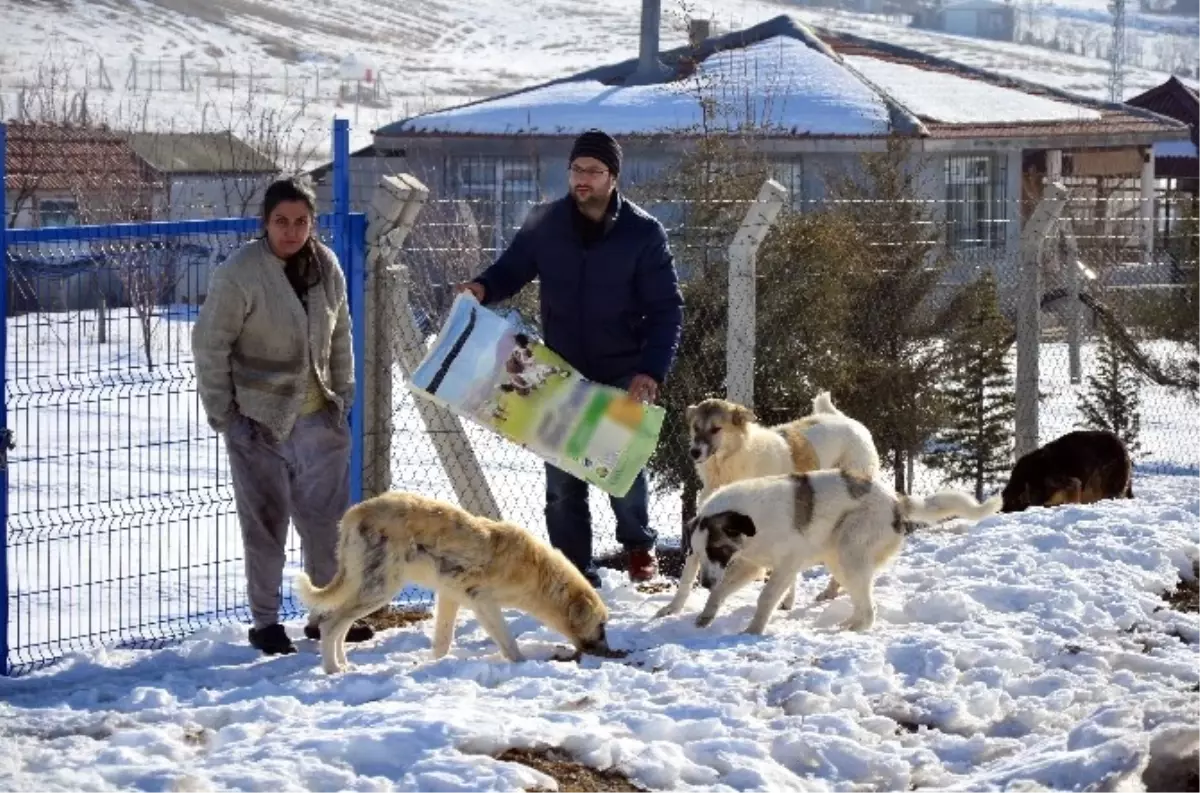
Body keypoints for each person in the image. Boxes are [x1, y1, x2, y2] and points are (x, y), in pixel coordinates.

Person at [457, 129, 684, 586]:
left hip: (621, 366)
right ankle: (571, 567)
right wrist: (483, 287)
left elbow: (666, 308)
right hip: (559, 370)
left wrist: (650, 371)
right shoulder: (545, 223)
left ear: (613, 177)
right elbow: (512, 268)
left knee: (620, 466)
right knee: (562, 483)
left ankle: (639, 548)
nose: (583, 179)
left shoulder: (643, 233)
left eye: (594, 171)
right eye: (577, 169)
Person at [192, 176, 375, 655]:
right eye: (281, 222)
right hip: (258, 423)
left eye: (301, 222)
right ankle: (266, 623)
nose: (291, 231)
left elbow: (341, 336)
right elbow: (211, 344)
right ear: (265, 223)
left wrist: (344, 396)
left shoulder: (325, 266)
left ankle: (328, 614)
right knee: (265, 526)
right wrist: (225, 415)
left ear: (313, 224)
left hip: (320, 421)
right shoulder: (241, 273)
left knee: (328, 526)